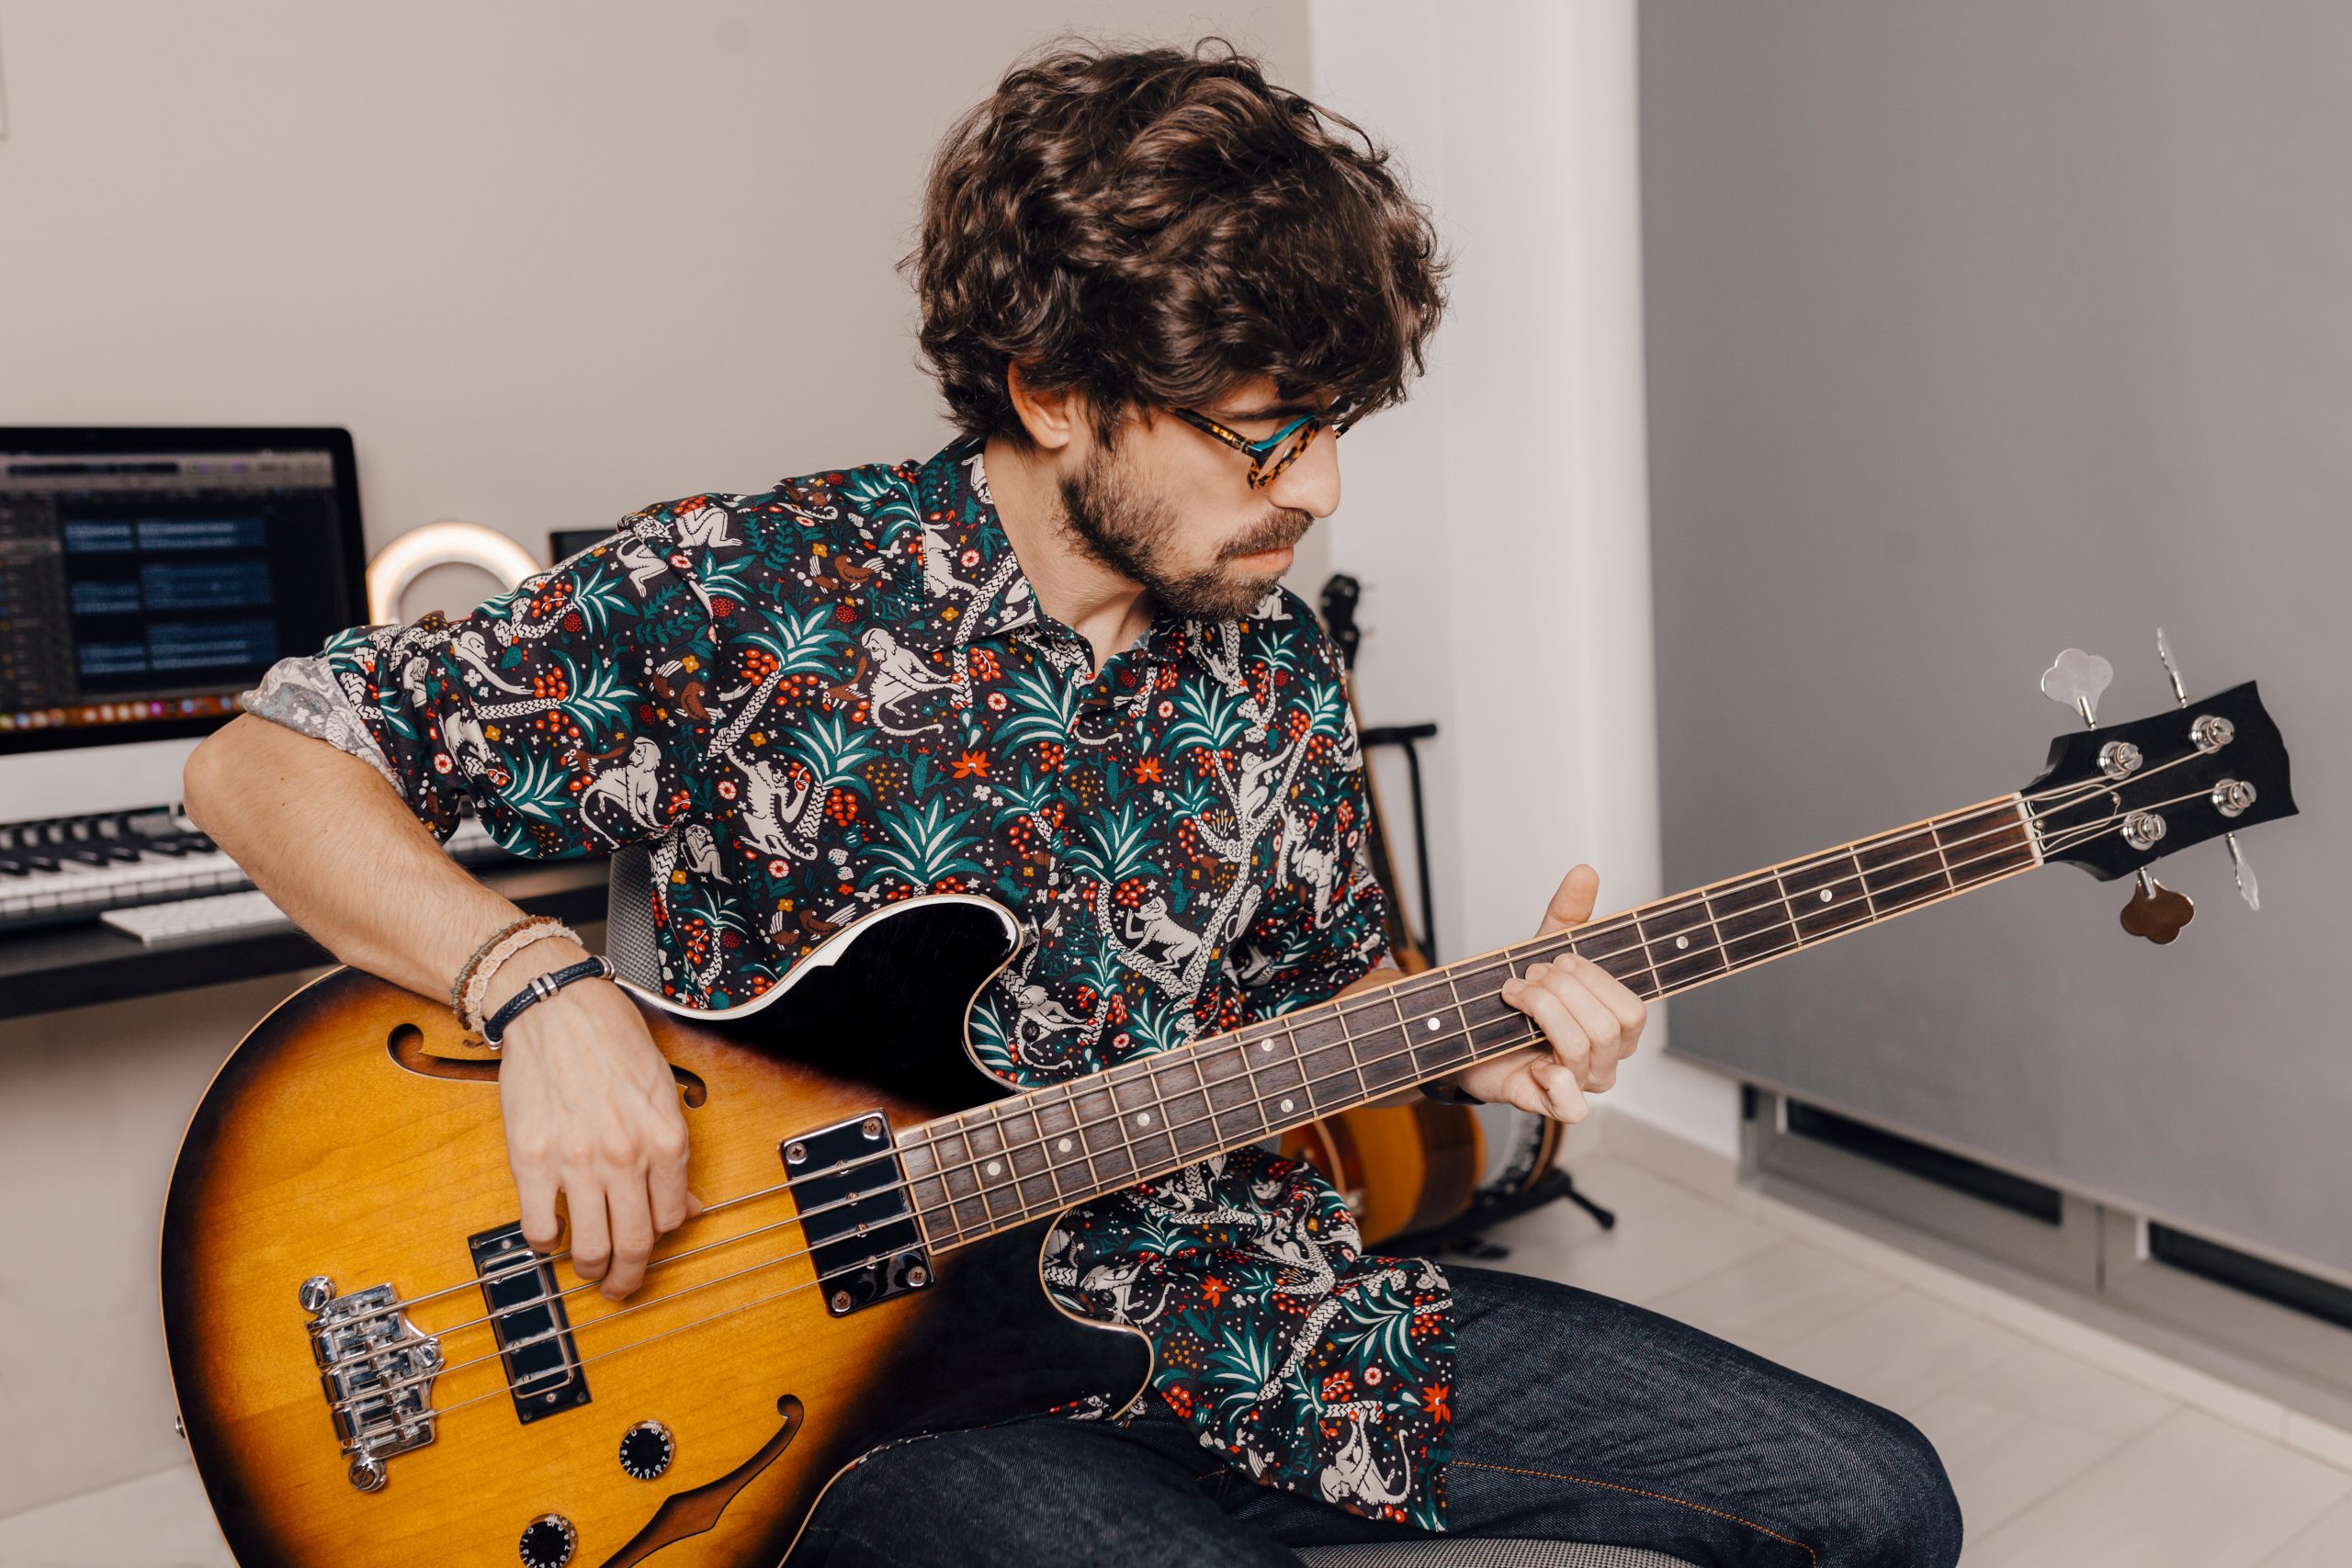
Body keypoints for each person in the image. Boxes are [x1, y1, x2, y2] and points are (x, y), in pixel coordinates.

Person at [183, 39, 1962, 1568]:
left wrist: (1463, 1034)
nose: (1321, 491)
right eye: (1263, 433)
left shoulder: (1266, 662)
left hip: (1243, 1303)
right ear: (1051, 390)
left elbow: (1310, 987)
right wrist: (537, 990)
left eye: (1339, 423)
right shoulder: (756, 587)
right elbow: (260, 760)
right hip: (878, 1385)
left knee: (1877, 1497)